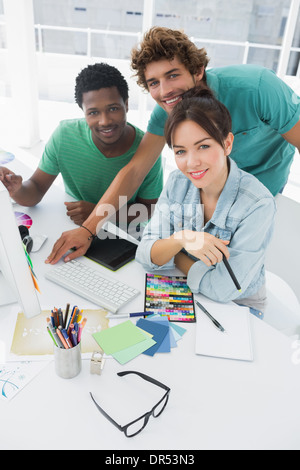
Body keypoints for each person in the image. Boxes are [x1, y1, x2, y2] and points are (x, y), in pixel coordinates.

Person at [43, 26, 300, 264]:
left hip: (263, 180)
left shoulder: (257, 88)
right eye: (154, 83)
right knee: (199, 253)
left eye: (173, 75)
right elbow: (134, 172)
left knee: (240, 262)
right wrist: (88, 230)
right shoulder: (166, 112)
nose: (165, 91)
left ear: (198, 70)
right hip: (206, 185)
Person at [136, 87, 276, 317]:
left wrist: (174, 252)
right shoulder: (177, 182)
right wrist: (183, 238)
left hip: (238, 304)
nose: (192, 163)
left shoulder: (258, 204)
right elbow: (145, 253)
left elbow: (224, 289)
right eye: (180, 151)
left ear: (227, 143)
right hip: (184, 286)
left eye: (203, 146)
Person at [0, 63, 163, 254]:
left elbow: (148, 210)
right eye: (93, 112)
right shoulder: (64, 135)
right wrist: (17, 189)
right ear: (83, 111)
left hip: (122, 236)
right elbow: (35, 190)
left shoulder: (147, 150)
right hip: (71, 226)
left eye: (113, 108)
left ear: (126, 104)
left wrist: (99, 213)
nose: (105, 121)